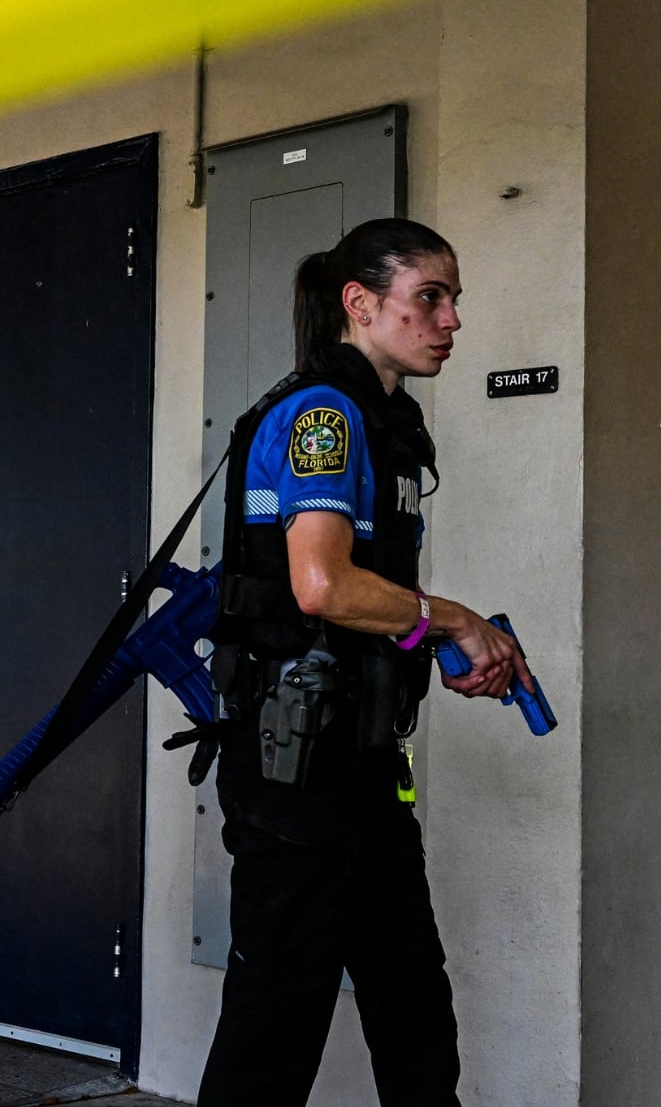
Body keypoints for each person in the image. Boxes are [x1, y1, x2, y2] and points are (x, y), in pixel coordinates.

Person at [196, 218, 534, 1107]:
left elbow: (365, 612)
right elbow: (320, 587)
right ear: (361, 303)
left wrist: (433, 644)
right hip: (296, 772)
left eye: (453, 299)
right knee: (277, 1017)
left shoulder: (384, 426)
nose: (451, 319)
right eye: (430, 296)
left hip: (364, 759)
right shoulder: (324, 415)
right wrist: (455, 620)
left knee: (414, 1004)